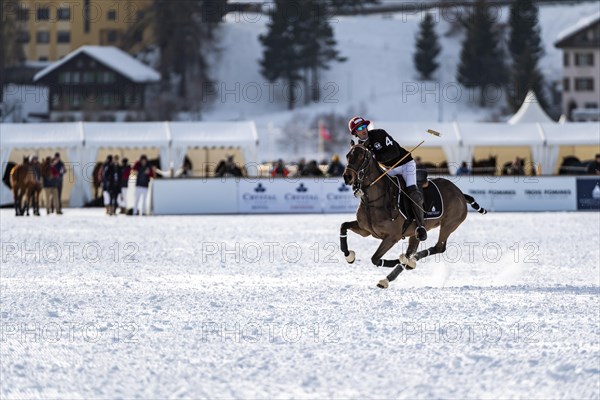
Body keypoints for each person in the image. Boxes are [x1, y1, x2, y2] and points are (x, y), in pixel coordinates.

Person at [348, 115, 427, 241]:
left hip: (405, 164)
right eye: (359, 129)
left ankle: (421, 226)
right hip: (388, 169)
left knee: (412, 191)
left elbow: (394, 152)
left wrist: (375, 157)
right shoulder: (360, 148)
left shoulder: (379, 134)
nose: (363, 130)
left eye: (364, 126)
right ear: (355, 133)